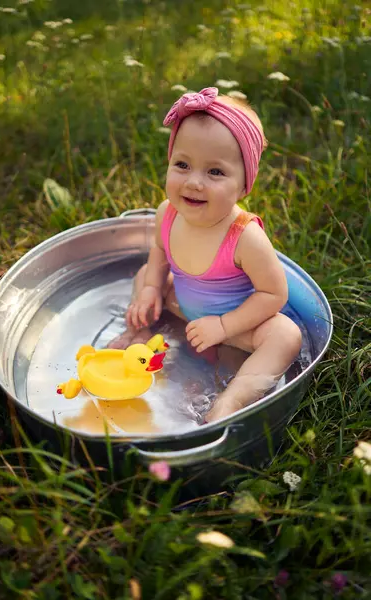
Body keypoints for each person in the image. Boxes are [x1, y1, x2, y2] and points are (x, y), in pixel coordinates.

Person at [109, 87, 302, 421]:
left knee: (285, 335)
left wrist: (225, 326)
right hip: (182, 307)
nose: (194, 182)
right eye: (182, 164)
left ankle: (233, 399)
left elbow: (274, 293)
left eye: (215, 172)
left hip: (238, 325)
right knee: (145, 276)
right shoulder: (166, 213)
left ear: (244, 185)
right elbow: (159, 252)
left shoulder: (245, 237)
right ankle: (137, 331)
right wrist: (152, 289)